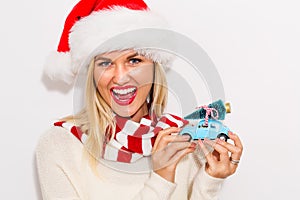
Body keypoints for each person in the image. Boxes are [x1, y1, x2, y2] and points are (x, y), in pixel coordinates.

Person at [36, 0, 243, 199]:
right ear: (92, 73)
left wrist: (210, 181)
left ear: (154, 68)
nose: (120, 77)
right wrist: (161, 178)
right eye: (105, 63)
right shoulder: (60, 144)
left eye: (134, 60)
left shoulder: (183, 140)